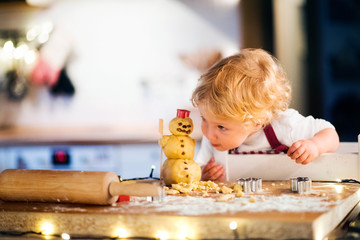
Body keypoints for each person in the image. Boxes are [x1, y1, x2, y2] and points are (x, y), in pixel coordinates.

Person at [191, 48, 339, 182]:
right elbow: (198, 170)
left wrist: (314, 145)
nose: (208, 134)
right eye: (204, 118)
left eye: (222, 127)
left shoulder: (285, 125)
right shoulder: (213, 138)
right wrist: (204, 173)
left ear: (256, 122)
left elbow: (330, 134)